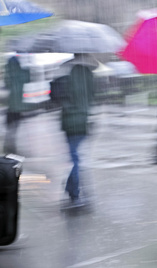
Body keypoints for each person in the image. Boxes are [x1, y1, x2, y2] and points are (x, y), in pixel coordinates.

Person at [59, 53, 95, 207]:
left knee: (75, 157)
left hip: (68, 121)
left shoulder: (65, 70)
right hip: (82, 120)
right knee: (77, 158)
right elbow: (92, 96)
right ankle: (73, 192)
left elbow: (57, 96)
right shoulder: (88, 73)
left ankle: (70, 187)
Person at [3, 53, 33, 154]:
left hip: (11, 106)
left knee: (10, 128)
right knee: (15, 127)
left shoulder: (9, 74)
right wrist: (28, 65)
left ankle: (9, 147)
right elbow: (28, 78)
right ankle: (13, 147)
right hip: (20, 106)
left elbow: (7, 85)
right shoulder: (22, 73)